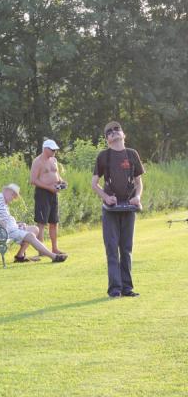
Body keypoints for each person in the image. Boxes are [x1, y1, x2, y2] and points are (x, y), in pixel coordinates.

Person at [92, 121, 144, 298]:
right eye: (109, 132)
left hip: (128, 207)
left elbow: (139, 183)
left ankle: (127, 288)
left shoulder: (132, 154)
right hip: (110, 209)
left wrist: (137, 197)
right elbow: (94, 184)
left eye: (117, 129)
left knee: (126, 249)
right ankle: (115, 289)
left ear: (123, 134)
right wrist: (106, 197)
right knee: (112, 248)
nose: (114, 132)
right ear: (107, 139)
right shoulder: (103, 156)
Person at [0, 184, 67, 263]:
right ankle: (53, 256)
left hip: (11, 229)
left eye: (15, 196)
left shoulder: (3, 202)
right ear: (6, 191)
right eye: (13, 195)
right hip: (3, 231)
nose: (13, 198)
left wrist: (18, 224)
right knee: (30, 236)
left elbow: (6, 218)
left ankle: (19, 256)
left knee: (34, 229)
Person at [30, 139, 67, 256]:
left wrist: (61, 182)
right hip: (42, 194)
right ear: (45, 149)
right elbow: (33, 180)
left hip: (53, 194)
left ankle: (54, 248)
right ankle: (41, 251)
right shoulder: (37, 162)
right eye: (52, 149)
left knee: (54, 222)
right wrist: (49, 187)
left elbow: (56, 174)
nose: (54, 151)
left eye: (55, 149)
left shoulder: (54, 160)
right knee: (41, 223)